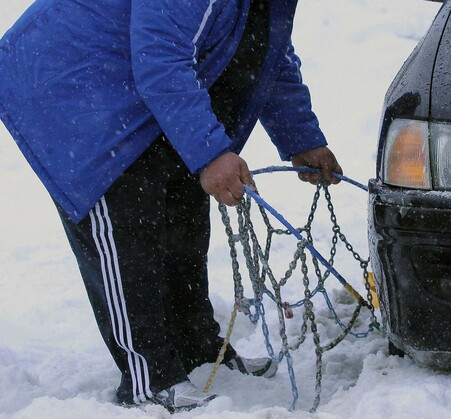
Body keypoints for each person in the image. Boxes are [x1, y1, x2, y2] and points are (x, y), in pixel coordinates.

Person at [0, 0, 342, 412]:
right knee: (126, 230)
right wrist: (211, 154)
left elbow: (264, 51)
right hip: (72, 80)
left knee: (182, 217)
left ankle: (196, 348)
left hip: (132, 78)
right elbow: (160, 57)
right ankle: (149, 379)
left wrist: (301, 136)